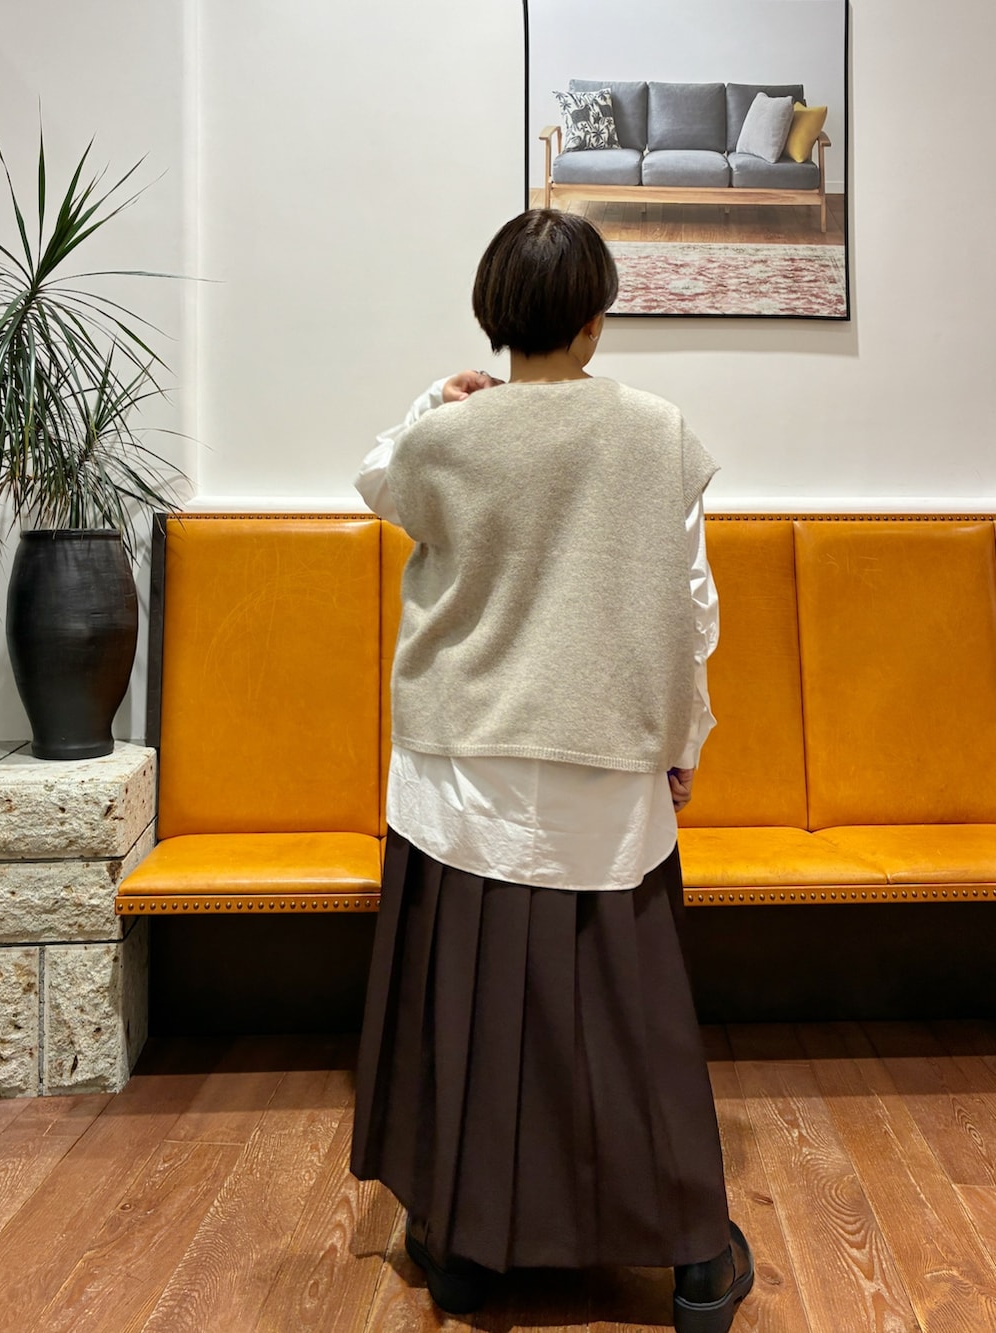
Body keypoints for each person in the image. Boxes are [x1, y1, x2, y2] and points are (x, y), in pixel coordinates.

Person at [349, 208, 753, 1333]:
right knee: (629, 1012)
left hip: (460, 764)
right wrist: (684, 741)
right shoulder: (657, 433)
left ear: (493, 316)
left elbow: (373, 477)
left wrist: (435, 401)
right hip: (603, 753)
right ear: (593, 322)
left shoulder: (447, 440)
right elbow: (690, 606)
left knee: (465, 1006)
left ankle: (464, 1248)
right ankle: (693, 1259)